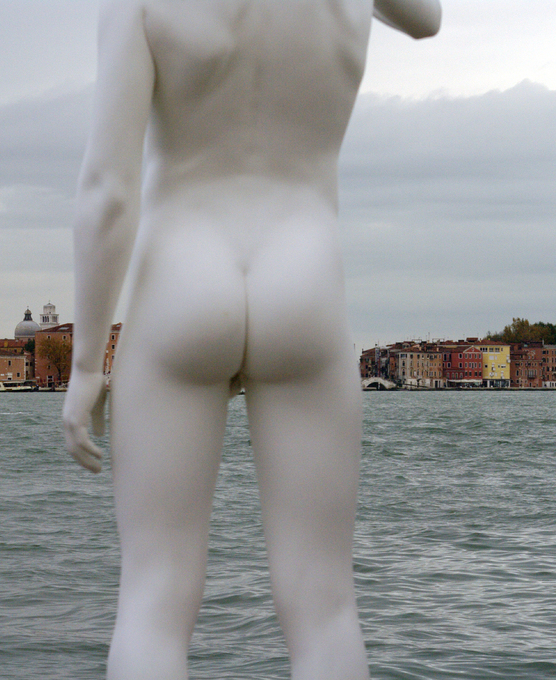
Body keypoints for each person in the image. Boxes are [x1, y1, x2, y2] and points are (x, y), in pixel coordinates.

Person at [62, 1, 440, 678]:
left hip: (182, 273)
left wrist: (87, 363)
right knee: (325, 606)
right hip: (303, 270)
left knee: (153, 596)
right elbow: (426, 17)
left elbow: (107, 192)